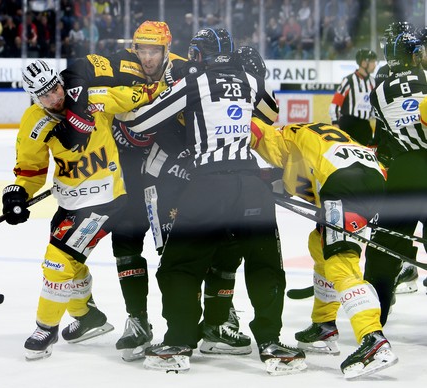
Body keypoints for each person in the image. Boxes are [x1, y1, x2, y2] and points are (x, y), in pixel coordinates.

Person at [121, 28, 306, 375]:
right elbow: (270, 112)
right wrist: (258, 74)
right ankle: (271, 343)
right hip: (251, 185)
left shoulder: (195, 80)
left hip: (208, 186)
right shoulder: (249, 79)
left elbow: (144, 123)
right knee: (265, 264)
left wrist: (115, 111)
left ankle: (178, 341)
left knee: (180, 265)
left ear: (198, 55)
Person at [63, 21, 251, 361]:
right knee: (126, 242)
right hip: (129, 174)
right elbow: (78, 69)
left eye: (154, 50)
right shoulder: (120, 61)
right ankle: (137, 321)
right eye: (142, 49)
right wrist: (77, 107)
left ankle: (215, 318)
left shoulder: (184, 68)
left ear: (167, 48)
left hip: (173, 173)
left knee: (184, 248)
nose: (147, 58)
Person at [2, 59, 162, 361]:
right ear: (34, 97)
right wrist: (17, 194)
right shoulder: (33, 122)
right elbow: (31, 170)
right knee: (71, 265)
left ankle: (45, 328)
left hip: (106, 199)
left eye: (55, 88)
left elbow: (143, 95)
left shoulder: (94, 98)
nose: (54, 98)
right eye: (44, 95)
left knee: (58, 261)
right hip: (70, 203)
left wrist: (165, 84)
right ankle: (87, 317)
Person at [250, 118, 398, 379]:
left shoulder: (284, 138)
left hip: (343, 182)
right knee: (320, 244)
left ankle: (374, 341)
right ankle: (324, 325)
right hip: (373, 175)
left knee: (341, 263)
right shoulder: (318, 136)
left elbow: (253, 131)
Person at [364, 31, 427, 325]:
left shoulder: (377, 91)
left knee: (383, 251)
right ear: (414, 55)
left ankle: (373, 323)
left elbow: (385, 141)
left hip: (401, 176)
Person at [329, 48, 377, 146]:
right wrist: (335, 122)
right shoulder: (349, 80)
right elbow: (335, 104)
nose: (375, 65)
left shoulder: (373, 82)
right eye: (372, 62)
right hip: (348, 124)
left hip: (365, 125)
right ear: (364, 63)